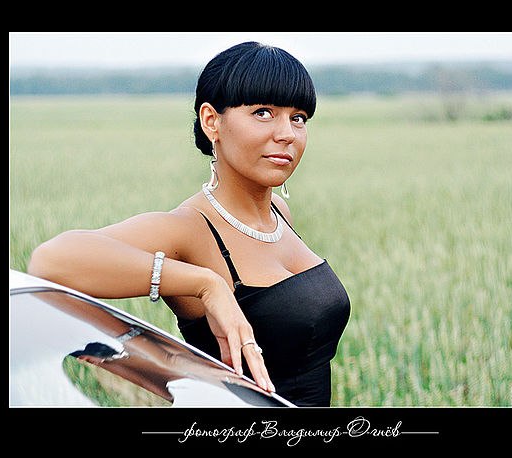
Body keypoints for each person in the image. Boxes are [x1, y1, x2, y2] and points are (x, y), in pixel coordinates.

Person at [27, 41, 351, 407]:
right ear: (212, 121)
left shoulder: (279, 213)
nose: (287, 133)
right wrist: (206, 285)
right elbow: (50, 261)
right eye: (263, 112)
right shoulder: (190, 229)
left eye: (298, 118)